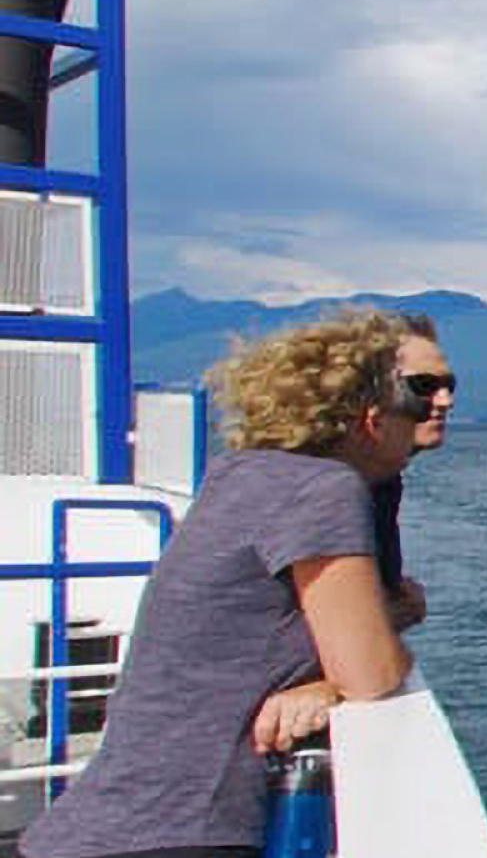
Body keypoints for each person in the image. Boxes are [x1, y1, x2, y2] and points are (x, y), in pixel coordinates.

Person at [18, 308, 458, 858]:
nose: (443, 402)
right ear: (369, 417)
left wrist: (338, 669)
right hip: (180, 833)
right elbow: (373, 673)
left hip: (98, 826)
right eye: (421, 390)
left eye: (448, 386)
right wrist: (343, 674)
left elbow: (275, 618)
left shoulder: (245, 473)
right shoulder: (322, 489)